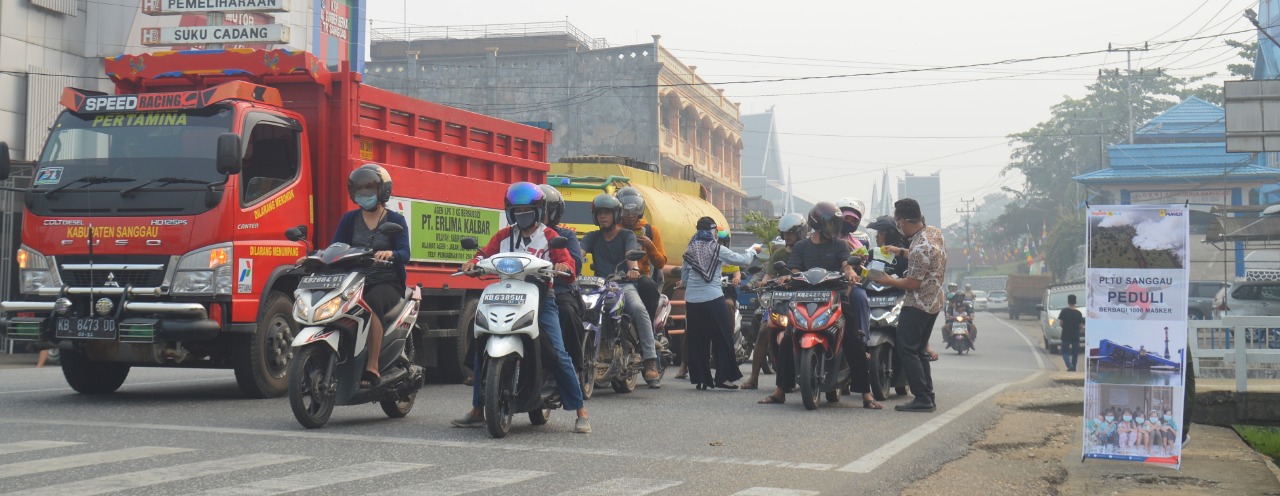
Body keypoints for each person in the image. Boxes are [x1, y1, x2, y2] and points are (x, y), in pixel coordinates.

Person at [452, 182, 590, 434]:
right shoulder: (503, 236)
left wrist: (563, 267)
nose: (522, 215)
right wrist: (472, 263)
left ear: (538, 211)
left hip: (541, 297)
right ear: (510, 212)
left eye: (527, 210)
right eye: (517, 211)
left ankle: (580, 410)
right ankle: (477, 409)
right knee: (481, 344)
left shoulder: (549, 236)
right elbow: (484, 255)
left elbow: (566, 261)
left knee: (558, 352)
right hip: (505, 295)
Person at [759, 202, 877, 408]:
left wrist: (850, 272)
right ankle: (780, 391)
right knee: (787, 340)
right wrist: (788, 277)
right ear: (817, 224)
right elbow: (794, 269)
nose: (835, 229)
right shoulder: (802, 247)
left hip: (835, 297)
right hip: (804, 298)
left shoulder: (840, 246)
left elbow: (846, 264)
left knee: (853, 340)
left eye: (836, 225)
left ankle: (866, 394)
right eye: (832, 224)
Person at [329, 164, 411, 388]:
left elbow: (405, 253)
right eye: (360, 190)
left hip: (386, 282)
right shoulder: (349, 219)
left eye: (370, 189)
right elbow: (335, 247)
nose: (364, 194)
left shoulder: (395, 220)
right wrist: (313, 258)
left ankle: (372, 366)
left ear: (383, 192)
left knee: (371, 302)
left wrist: (391, 253)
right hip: (354, 281)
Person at [580, 193, 661, 388]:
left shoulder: (627, 235)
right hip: (599, 286)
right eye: (599, 213)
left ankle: (650, 359)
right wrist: (567, 266)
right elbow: (578, 255)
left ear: (616, 215)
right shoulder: (592, 236)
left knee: (639, 309)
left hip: (623, 284)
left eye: (606, 213)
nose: (602, 217)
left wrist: (633, 269)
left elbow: (631, 257)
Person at [874, 198, 947, 413]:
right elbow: (925, 257)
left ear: (904, 221)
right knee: (919, 349)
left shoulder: (918, 247)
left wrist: (888, 281)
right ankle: (928, 395)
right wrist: (899, 251)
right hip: (935, 300)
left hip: (918, 303)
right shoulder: (933, 233)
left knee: (907, 349)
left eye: (897, 221)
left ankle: (923, 398)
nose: (897, 225)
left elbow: (912, 283)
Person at [682, 217, 760, 389]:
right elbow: (744, 261)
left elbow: (685, 279)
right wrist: (753, 250)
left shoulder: (689, 250)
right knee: (723, 337)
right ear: (713, 232)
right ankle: (723, 378)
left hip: (692, 301)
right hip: (713, 298)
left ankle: (701, 379)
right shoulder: (717, 249)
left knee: (697, 339)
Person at [742, 213, 807, 390]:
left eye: (792, 233)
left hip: (801, 302)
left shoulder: (807, 251)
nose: (788, 237)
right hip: (779, 301)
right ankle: (753, 378)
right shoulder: (778, 253)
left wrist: (790, 277)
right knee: (763, 331)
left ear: (801, 232)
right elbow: (769, 274)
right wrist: (763, 282)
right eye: (785, 233)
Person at [869, 215, 939, 362]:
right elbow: (864, 272)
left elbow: (912, 279)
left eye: (880, 233)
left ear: (890, 234)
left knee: (910, 329)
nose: (877, 237)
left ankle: (924, 345)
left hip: (899, 295)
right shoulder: (871, 254)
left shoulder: (906, 253)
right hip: (874, 295)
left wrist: (892, 280)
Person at [540, 184, 586, 375]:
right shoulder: (515, 234)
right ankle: (480, 367)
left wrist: (563, 266)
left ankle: (574, 368)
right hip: (525, 291)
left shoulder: (565, 235)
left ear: (553, 213)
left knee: (566, 312)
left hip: (559, 290)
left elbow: (576, 262)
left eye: (540, 210)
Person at [616, 187, 667, 321]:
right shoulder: (614, 230)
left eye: (635, 211)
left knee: (648, 288)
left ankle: (650, 332)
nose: (631, 215)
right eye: (627, 211)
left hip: (642, 280)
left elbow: (661, 263)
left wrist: (650, 246)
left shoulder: (651, 231)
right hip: (616, 279)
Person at [1057, 294, 1085, 372]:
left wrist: (1065, 326)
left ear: (1068, 302)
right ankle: (1073, 367)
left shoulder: (1064, 311)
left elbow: (1061, 323)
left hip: (1065, 334)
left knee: (1065, 352)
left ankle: (1069, 365)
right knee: (1075, 353)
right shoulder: (1079, 313)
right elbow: (1081, 326)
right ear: (1075, 302)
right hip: (1075, 335)